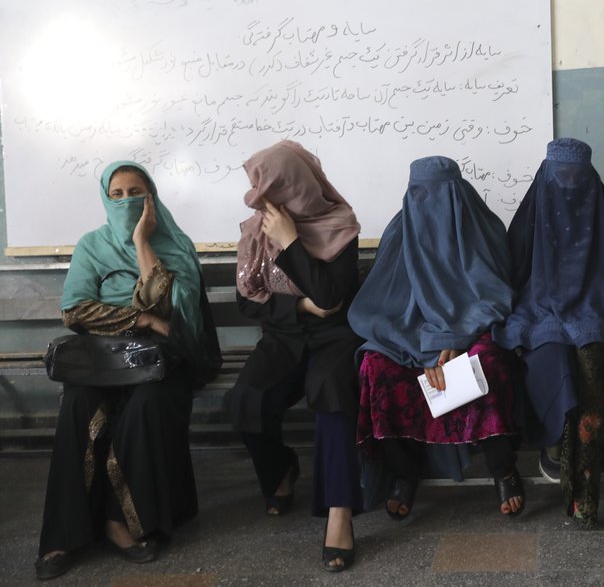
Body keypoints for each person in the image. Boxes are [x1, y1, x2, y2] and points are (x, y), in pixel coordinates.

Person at [35, 162, 220, 581]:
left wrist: (142, 242)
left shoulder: (174, 243)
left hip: (164, 358)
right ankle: (62, 533)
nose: (125, 201)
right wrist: (141, 320)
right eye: (115, 194)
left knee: (148, 403)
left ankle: (124, 522)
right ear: (104, 198)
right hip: (105, 356)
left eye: (135, 192)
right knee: (79, 404)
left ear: (151, 197)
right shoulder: (91, 245)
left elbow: (176, 308)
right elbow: (77, 309)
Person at [348, 156, 524, 519]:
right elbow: (379, 304)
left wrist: (455, 339)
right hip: (411, 337)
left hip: (472, 330)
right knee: (376, 368)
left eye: (438, 194)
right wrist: (426, 348)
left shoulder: (483, 227)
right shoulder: (401, 231)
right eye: (419, 194)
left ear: (458, 193)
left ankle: (502, 468)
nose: (428, 204)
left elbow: (497, 296)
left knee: (487, 363)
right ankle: (405, 472)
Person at [226, 140, 364, 571]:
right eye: (255, 188)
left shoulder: (339, 224)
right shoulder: (254, 231)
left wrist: (289, 243)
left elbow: (330, 297)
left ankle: (340, 514)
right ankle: (281, 469)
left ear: (295, 185)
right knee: (245, 399)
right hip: (284, 335)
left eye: (268, 188)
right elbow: (249, 301)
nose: (259, 200)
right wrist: (299, 306)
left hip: (334, 338)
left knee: (332, 394)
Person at [493, 138, 604, 528]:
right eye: (561, 177)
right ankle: (556, 452)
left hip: (598, 311)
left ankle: (585, 498)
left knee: (592, 374)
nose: (569, 186)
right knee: (556, 366)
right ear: (545, 177)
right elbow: (513, 277)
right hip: (541, 311)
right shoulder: (528, 219)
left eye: (577, 177)